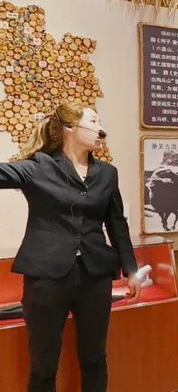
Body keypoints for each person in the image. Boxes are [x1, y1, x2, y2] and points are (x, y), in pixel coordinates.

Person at [0, 102, 141, 392]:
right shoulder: (39, 166)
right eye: (93, 120)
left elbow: (117, 224)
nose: (101, 128)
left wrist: (131, 269)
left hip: (95, 276)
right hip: (46, 278)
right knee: (43, 366)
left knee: (95, 358)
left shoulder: (107, 173)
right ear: (69, 128)